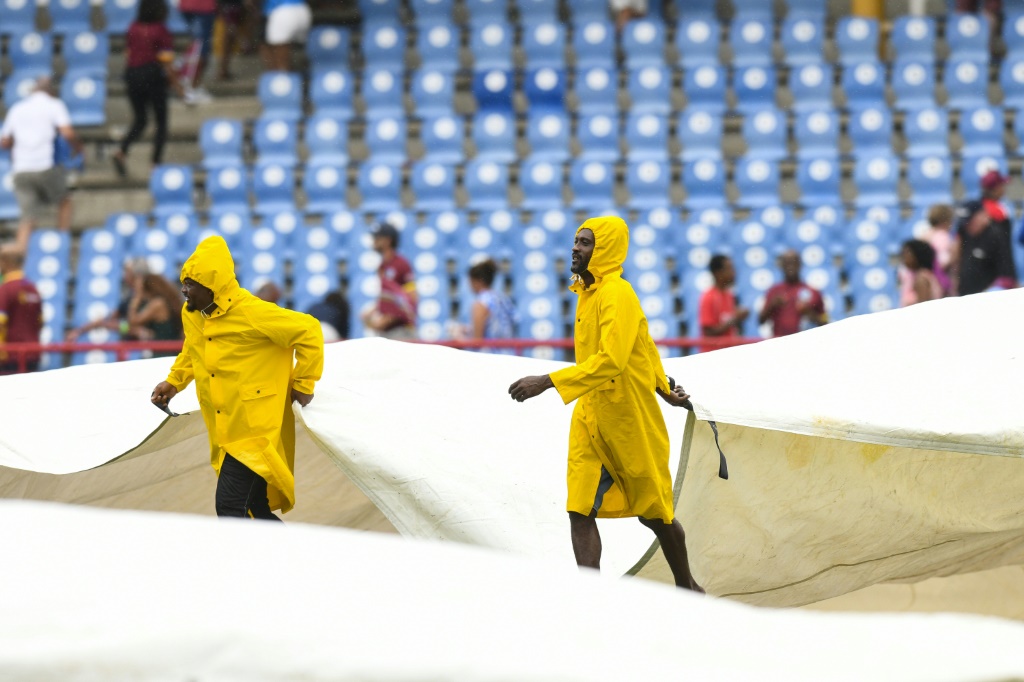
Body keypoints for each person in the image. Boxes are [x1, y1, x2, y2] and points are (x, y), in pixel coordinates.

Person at [507, 216, 702, 592]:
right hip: (590, 415)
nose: (575, 248)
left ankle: (687, 587)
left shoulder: (618, 294)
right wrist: (664, 387)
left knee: (655, 514)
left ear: (605, 249)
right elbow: (645, 344)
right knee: (579, 509)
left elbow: (616, 357)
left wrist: (547, 382)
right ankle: (593, 599)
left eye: (584, 242)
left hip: (627, 418)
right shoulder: (587, 294)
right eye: (576, 241)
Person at [150, 236, 324, 520]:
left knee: (230, 507)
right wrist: (174, 382)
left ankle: (250, 563)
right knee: (254, 507)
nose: (183, 289)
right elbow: (194, 348)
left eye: (191, 284)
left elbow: (309, 331)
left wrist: (304, 384)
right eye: (184, 281)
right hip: (224, 427)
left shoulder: (251, 312)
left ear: (212, 287)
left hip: (253, 431)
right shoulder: (193, 313)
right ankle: (288, 560)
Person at [0, 76, 82, 254]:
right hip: (45, 166)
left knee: (27, 218)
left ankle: (15, 251)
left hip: (20, 170)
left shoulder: (17, 108)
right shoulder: (54, 105)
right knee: (65, 202)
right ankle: (62, 241)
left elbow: (4, 141)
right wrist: (79, 148)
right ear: (50, 91)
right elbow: (67, 133)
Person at [112, 0, 183, 177]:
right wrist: (178, 86)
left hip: (132, 75)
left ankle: (122, 151)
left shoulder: (133, 28)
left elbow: (128, 53)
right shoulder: (160, 30)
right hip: (152, 75)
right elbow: (166, 61)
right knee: (161, 123)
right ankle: (155, 164)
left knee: (141, 120)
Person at [66, 258, 151, 342]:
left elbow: (138, 330)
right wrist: (79, 331)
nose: (124, 276)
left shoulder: (151, 300)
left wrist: (113, 325)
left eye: (127, 272)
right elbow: (111, 320)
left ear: (138, 276)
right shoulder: (129, 299)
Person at [361, 221, 418, 340]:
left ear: (387, 240)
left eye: (377, 237)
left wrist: (387, 320)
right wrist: (372, 312)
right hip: (388, 332)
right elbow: (388, 298)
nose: (374, 241)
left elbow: (411, 299)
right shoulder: (382, 266)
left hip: (401, 331)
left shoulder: (401, 264)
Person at [950, 200, 1017, 296]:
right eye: (965, 222)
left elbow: (1007, 276)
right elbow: (956, 263)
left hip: (988, 299)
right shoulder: (964, 233)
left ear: (983, 215)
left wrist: (985, 295)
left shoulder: (996, 236)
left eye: (970, 221)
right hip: (964, 297)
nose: (967, 225)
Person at [757, 250, 827, 337]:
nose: (791, 267)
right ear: (781, 266)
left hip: (806, 344)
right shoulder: (774, 291)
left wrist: (809, 313)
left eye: (794, 262)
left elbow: (825, 323)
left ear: (800, 264)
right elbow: (760, 320)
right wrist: (772, 305)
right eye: (787, 263)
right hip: (779, 343)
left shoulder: (813, 292)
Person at [0, 245, 43, 374]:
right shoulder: (33, 288)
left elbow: (1, 322)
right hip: (33, 353)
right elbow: (40, 322)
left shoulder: (6, 289)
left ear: (4, 262)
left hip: (9, 355)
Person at [464, 258, 517, 353]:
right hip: (510, 354)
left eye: (470, 281)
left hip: (491, 358)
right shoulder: (504, 299)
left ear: (477, 281)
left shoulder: (480, 304)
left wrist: (458, 341)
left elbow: (477, 342)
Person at [127, 273, 184, 354]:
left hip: (164, 351)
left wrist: (136, 298)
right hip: (170, 348)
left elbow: (133, 321)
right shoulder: (166, 301)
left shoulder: (157, 304)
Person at [699, 254, 749, 339]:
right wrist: (735, 318)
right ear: (717, 273)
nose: (734, 273)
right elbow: (708, 332)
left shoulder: (729, 295)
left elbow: (727, 321)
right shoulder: (709, 297)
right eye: (729, 268)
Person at [178, 0, 217, 104]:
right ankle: (192, 88)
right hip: (202, 7)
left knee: (196, 44)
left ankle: (192, 84)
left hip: (189, 6)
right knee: (200, 47)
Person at [262, 0, 311, 71]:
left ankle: (282, 78)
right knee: (301, 48)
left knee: (277, 53)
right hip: (302, 8)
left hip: (280, 10)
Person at [899, 239, 943, 306]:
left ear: (918, 255)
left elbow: (923, 309)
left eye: (907, 253)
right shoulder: (917, 276)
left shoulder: (921, 279)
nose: (904, 257)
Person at [925, 203, 955, 294]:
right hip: (937, 281)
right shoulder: (942, 236)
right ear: (946, 221)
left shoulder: (925, 234)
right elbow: (943, 261)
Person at [215, 0, 247, 80]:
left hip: (231, 5)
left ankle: (223, 69)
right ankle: (222, 70)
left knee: (229, 39)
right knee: (228, 37)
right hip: (229, 5)